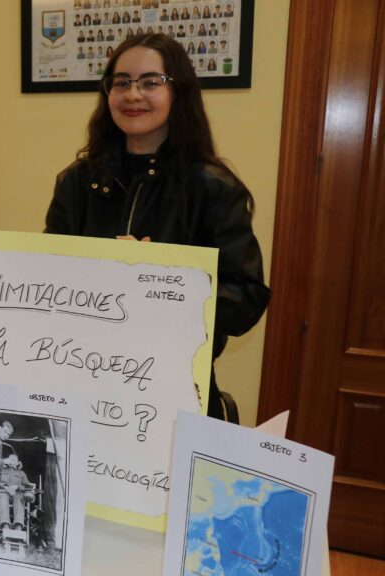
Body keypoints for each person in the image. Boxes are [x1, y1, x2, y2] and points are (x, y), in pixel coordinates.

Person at [44, 34, 270, 420]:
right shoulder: (77, 182)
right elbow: (47, 277)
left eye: (151, 82)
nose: (133, 95)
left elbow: (246, 300)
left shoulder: (214, 188)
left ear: (178, 92)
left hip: (176, 391)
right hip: (82, 380)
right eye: (121, 82)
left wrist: (163, 283)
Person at [0, 455, 37, 532]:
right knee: (3, 498)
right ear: (7, 460)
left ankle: (18, 526)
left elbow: (28, 486)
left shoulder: (21, 473)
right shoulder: (1, 470)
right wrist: (5, 487)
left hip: (16, 494)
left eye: (14, 460)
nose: (12, 462)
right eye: (10, 460)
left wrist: (17, 487)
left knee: (19, 499)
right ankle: (5, 525)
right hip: (3, 492)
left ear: (17, 462)